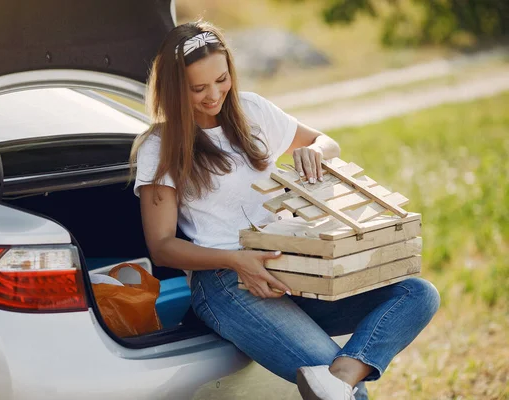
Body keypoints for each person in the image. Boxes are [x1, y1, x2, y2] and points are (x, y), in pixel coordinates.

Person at [130, 20, 440, 400]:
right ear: (176, 90)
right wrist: (236, 260)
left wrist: (315, 151)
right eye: (198, 88)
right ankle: (340, 382)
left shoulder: (253, 111)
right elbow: (161, 246)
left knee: (417, 294)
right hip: (228, 281)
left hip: (294, 268)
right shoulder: (159, 148)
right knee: (345, 397)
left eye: (222, 79)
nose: (214, 95)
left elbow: (327, 143)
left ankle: (342, 375)